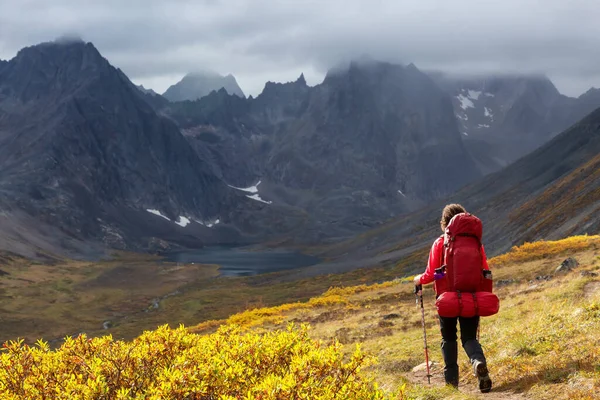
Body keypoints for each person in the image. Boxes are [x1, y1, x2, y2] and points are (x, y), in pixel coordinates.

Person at [413, 203, 493, 393]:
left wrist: (418, 280)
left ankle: (451, 386)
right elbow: (484, 269)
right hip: (471, 297)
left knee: (448, 339)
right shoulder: (475, 243)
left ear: (444, 223)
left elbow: (431, 274)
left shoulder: (440, 243)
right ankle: (478, 362)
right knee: (469, 338)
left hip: (446, 300)